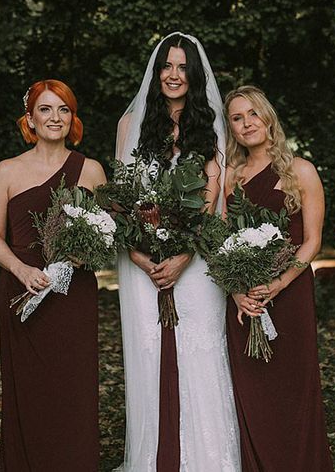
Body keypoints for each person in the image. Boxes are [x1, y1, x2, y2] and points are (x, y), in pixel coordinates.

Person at [116, 32, 241, 471]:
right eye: (166, 66)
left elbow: (212, 200)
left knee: (200, 352)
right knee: (149, 354)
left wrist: (186, 252)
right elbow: (122, 195)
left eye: (182, 67)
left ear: (194, 74)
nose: (173, 74)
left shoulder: (208, 127)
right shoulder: (129, 126)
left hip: (197, 255)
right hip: (140, 261)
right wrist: (136, 251)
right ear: (156, 72)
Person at [0, 79, 106, 471]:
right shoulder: (7, 171)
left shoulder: (90, 170)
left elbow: (107, 233)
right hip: (22, 294)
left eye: (63, 110)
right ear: (30, 119)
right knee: (30, 391)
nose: (55, 117)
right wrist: (21, 270)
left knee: (73, 390)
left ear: (72, 118)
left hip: (73, 297)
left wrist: (83, 256)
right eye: (46, 109)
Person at [223, 85, 333, 471]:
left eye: (253, 113)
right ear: (231, 128)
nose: (247, 123)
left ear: (268, 118)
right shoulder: (229, 179)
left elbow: (312, 242)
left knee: (293, 389)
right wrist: (238, 293)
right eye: (237, 117)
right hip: (245, 301)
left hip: (290, 295)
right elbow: (220, 242)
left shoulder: (301, 171)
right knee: (255, 392)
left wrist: (280, 284)